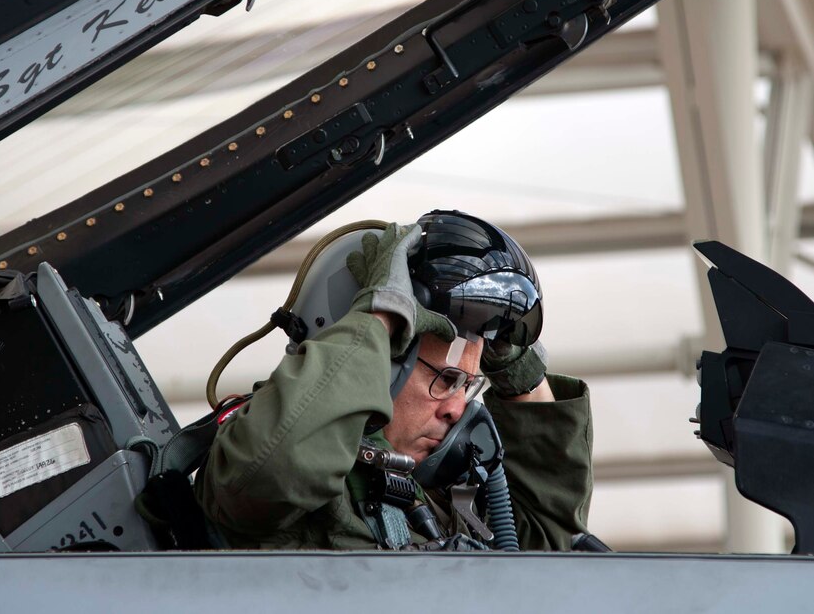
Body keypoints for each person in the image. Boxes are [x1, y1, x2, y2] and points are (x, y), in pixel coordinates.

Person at [197, 210, 593, 550]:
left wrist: (519, 373)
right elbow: (277, 473)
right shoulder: (256, 456)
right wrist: (381, 317)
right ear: (376, 363)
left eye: (467, 386)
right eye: (447, 379)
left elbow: (550, 538)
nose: (458, 408)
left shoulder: (430, 500)